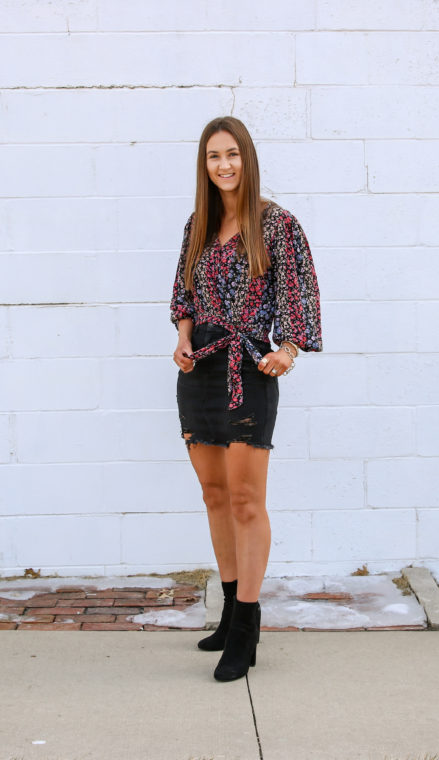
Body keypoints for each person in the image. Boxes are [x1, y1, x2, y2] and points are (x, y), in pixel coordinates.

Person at [170, 116, 322, 682]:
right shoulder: (200, 224)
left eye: (232, 154)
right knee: (213, 495)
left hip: (248, 371)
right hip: (201, 371)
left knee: (245, 501)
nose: (224, 165)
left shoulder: (277, 224)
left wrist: (287, 351)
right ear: (204, 166)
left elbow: (299, 296)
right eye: (213, 157)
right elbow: (182, 293)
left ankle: (248, 626)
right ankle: (230, 609)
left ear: (247, 158)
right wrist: (184, 340)